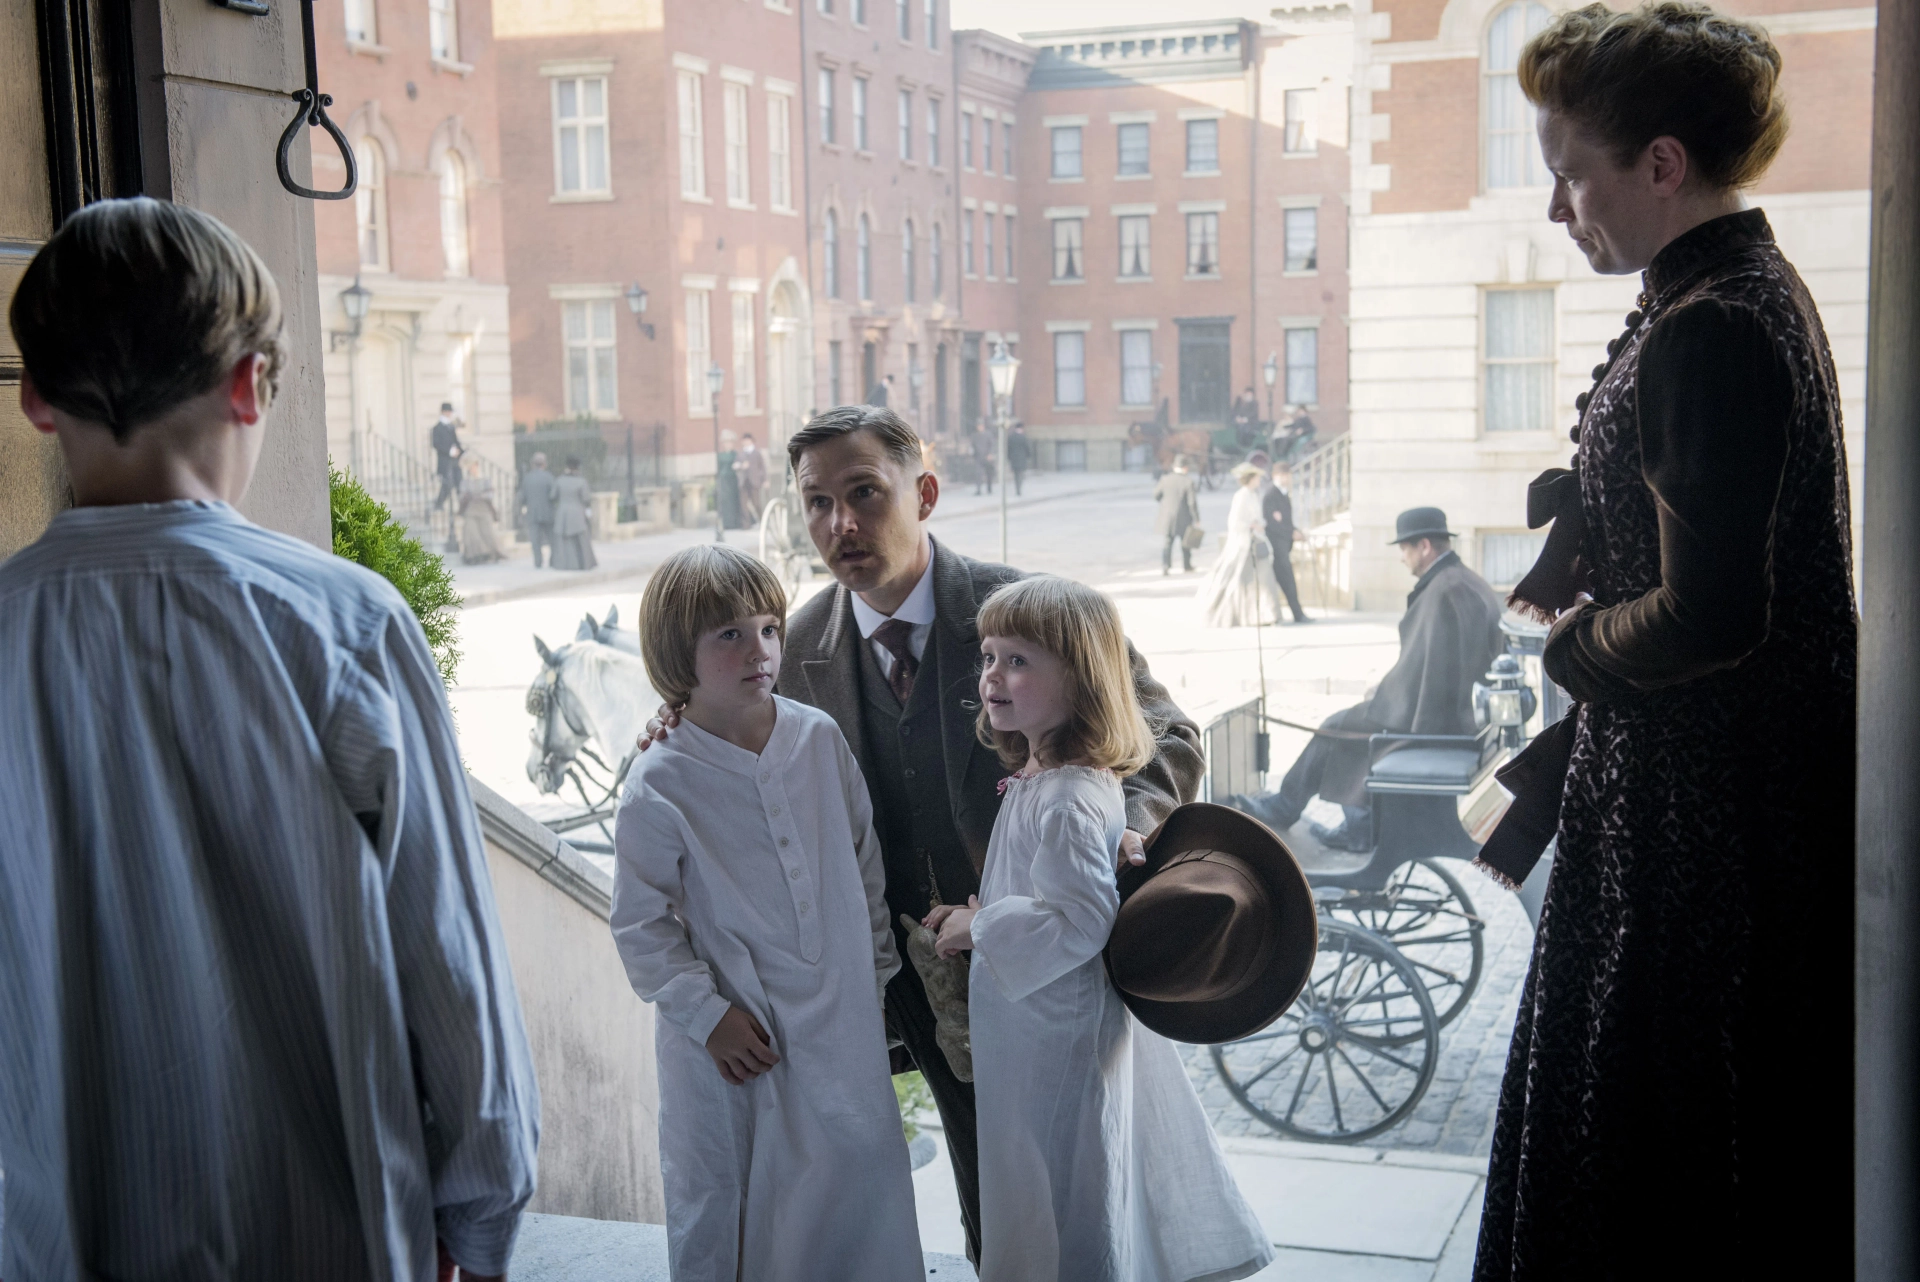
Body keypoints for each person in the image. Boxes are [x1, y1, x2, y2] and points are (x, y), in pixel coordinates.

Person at [0, 197, 538, 1280]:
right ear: (251, 385)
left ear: (38, 402)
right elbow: (449, 965)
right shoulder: (346, 626)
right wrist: (481, 1216)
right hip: (325, 1227)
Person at [1470, 8, 1854, 1276]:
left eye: (1571, 171)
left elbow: (1713, 612)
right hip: (1710, 790)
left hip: (1698, 808)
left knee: (1657, 1128)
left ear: (1663, 164)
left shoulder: (1712, 323)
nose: (1557, 207)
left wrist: (1572, 649)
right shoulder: (1728, 293)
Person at [636, 405, 1204, 1259]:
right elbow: (716, 733)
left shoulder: (1025, 612)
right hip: (906, 988)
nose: (841, 524)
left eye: (864, 492)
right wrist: (671, 718)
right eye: (817, 503)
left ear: (925, 491)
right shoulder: (785, 648)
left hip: (1042, 973)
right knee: (990, 1208)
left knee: (1072, 1197)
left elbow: (1168, 734)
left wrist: (1114, 828)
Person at [925, 575, 1273, 1282]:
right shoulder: (1041, 778)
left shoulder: (1069, 799)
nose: (993, 676)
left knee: (1066, 1186)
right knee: (1037, 1178)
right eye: (989, 656)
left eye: (1019, 661)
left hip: (1055, 1035)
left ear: (1081, 681)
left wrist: (978, 924)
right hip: (1032, 1027)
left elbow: (1082, 922)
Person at [611, 544, 922, 1281]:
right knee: (735, 1202)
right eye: (729, 635)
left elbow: (861, 857)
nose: (759, 650)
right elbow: (638, 924)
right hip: (733, 1035)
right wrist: (704, 1014)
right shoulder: (660, 780)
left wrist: (875, 975)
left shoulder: (817, 737)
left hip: (840, 1017)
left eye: (768, 629)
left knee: (860, 1180)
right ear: (674, 651)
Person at [1230, 508, 1501, 850]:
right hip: (1458, 717)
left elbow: (1423, 671)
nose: (1403, 558)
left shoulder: (1443, 591)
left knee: (1337, 726)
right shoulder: (1464, 580)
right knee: (1351, 724)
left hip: (1439, 722)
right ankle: (1354, 822)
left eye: (1404, 549)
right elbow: (1427, 665)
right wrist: (1388, 692)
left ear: (1425, 546)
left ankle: (1292, 808)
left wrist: (1383, 697)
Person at [1196, 463, 1280, 627]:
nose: (1259, 481)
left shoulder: (1253, 494)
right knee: (1239, 581)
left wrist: (1258, 524)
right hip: (1243, 543)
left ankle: (1266, 614)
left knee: (1263, 579)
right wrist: (1252, 526)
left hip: (1255, 541)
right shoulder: (1241, 496)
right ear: (1250, 479)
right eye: (1256, 478)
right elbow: (1234, 522)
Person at [1263, 462, 1311, 623]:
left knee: (1287, 582)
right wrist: (1291, 533)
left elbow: (1285, 521)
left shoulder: (1282, 493)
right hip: (1277, 548)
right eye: (1286, 476)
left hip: (1284, 546)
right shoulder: (1271, 494)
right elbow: (1272, 524)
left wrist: (1295, 530)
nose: (1289, 479)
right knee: (1286, 581)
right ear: (1279, 476)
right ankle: (1297, 614)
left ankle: (1297, 613)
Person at [1154, 453, 1200, 575]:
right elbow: (1192, 503)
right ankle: (1187, 565)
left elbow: (1156, 495)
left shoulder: (1165, 479)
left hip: (1168, 517)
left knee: (1168, 542)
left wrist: (1165, 504)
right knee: (1186, 543)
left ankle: (1165, 565)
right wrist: (1196, 518)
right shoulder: (1188, 481)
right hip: (1184, 517)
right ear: (1185, 467)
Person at [551, 454, 598, 570]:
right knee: (581, 541)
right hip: (577, 512)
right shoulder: (581, 481)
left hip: (562, 512)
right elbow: (586, 498)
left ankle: (562, 565)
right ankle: (584, 565)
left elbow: (552, 496)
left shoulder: (559, 480)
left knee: (562, 541)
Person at [459, 458, 506, 564]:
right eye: (470, 467)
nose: (472, 469)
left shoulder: (485, 479)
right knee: (471, 533)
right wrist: (467, 497)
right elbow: (462, 495)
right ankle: (474, 555)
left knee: (488, 532)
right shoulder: (466, 481)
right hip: (471, 509)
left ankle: (493, 553)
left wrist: (481, 496)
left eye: (473, 467)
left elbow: (490, 494)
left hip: (483, 508)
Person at [517, 450, 559, 568]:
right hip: (548, 513)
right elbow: (554, 495)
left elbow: (522, 497)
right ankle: (553, 561)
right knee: (552, 539)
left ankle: (538, 562)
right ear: (544, 464)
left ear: (532, 464)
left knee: (535, 541)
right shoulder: (549, 477)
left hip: (533, 513)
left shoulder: (527, 479)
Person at [431, 400, 464, 517]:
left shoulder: (451, 426)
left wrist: (461, 451)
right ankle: (438, 503)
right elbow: (436, 444)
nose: (449, 414)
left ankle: (462, 507)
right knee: (447, 484)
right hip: (445, 461)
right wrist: (450, 451)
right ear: (443, 412)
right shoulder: (437, 428)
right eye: (448, 411)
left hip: (454, 461)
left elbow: (456, 441)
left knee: (459, 483)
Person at [735, 430, 768, 524]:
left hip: (754, 481)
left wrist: (765, 480)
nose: (746, 442)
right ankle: (746, 524)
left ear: (751, 441)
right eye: (744, 440)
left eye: (748, 440)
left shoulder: (757, 453)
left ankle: (763, 521)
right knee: (743, 504)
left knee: (756, 503)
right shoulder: (740, 453)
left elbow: (762, 467)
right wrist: (741, 466)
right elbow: (735, 465)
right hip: (743, 481)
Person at [716, 429, 744, 530]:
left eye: (730, 442)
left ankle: (735, 523)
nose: (728, 445)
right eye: (726, 442)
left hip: (733, 480)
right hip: (724, 480)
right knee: (725, 502)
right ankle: (726, 523)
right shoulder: (720, 455)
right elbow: (718, 468)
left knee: (733, 501)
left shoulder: (735, 454)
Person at [970, 422, 997, 496]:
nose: (980, 428)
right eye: (978, 426)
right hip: (978, 457)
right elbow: (972, 446)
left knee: (989, 473)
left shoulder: (988, 434)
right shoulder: (974, 435)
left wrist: (990, 454)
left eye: (981, 426)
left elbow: (992, 444)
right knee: (978, 473)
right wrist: (972, 454)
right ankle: (978, 489)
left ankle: (989, 488)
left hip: (987, 457)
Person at [1005, 421, 1031, 496]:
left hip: (1013, 458)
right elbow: (1027, 448)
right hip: (1022, 458)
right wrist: (1028, 456)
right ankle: (1019, 489)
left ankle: (1017, 488)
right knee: (1021, 474)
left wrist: (1009, 457)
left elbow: (1008, 448)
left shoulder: (1011, 437)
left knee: (1016, 475)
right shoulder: (1023, 437)